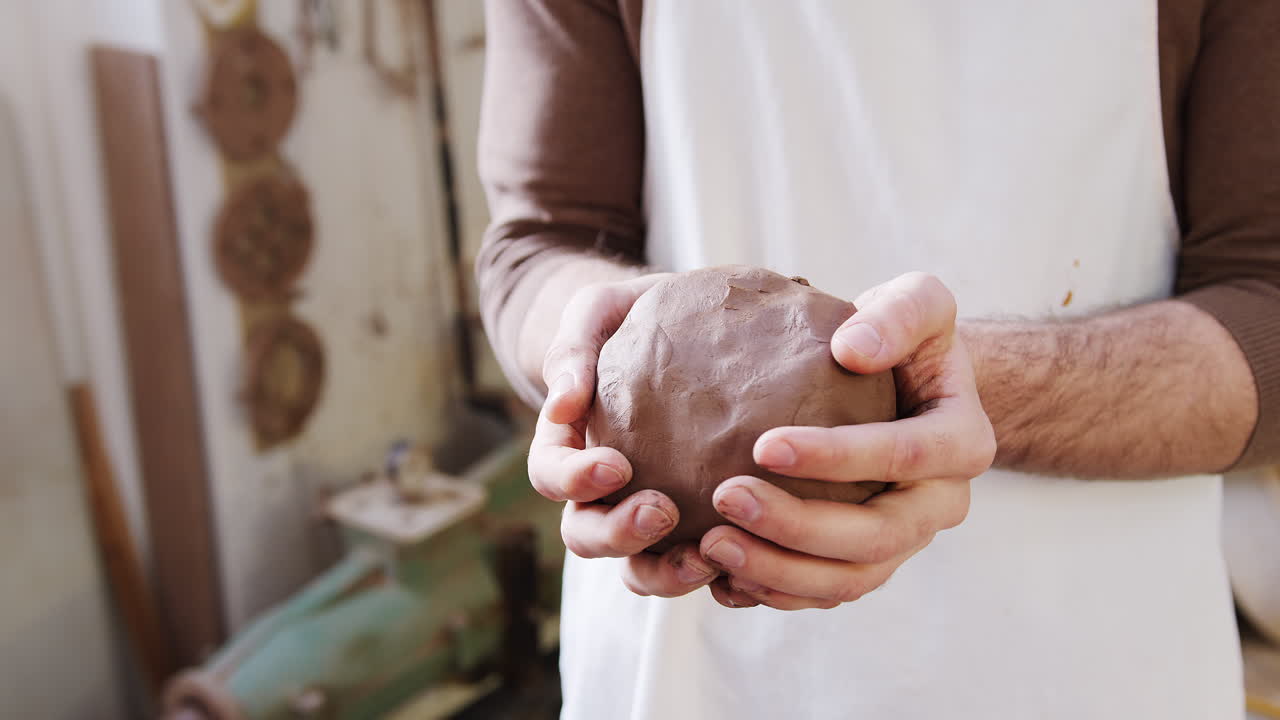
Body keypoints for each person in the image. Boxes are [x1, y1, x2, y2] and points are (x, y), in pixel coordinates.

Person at [474, 2, 1280, 718]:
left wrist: (942, 390)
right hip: (686, 663)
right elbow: (537, 245)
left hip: (1088, 659)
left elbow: (1266, 295)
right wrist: (595, 343)